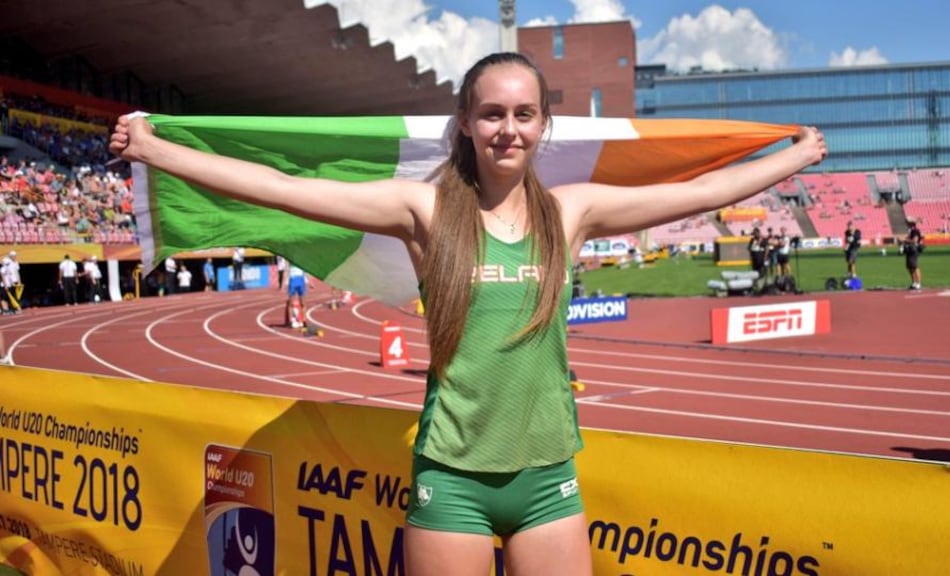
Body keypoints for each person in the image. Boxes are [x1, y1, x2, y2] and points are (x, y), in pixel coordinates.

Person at [110, 51, 826, 575]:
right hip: (451, 481)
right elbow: (278, 187)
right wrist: (153, 148)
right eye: (492, 113)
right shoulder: (424, 210)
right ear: (466, 122)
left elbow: (702, 193)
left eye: (523, 114)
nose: (507, 129)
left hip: (547, 479)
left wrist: (792, 160)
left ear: (544, 125)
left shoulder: (572, 212)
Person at [284, 260, 308, 327]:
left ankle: (304, 320)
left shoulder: (301, 258)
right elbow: (286, 269)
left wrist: (308, 281)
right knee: (290, 302)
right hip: (292, 280)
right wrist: (284, 282)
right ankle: (291, 321)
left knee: (303, 302)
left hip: (301, 280)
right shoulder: (288, 258)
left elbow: (305, 270)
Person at [902, 218, 924, 290]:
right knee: (910, 267)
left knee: (914, 267)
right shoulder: (911, 230)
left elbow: (915, 240)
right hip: (910, 249)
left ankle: (918, 283)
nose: (906, 224)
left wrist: (905, 240)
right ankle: (914, 282)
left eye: (908, 223)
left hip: (913, 249)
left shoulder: (915, 230)